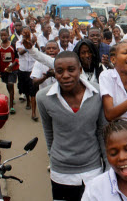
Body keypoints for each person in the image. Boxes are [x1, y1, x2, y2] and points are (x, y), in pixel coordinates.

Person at [36, 51, 107, 201]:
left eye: (71, 69)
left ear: (80, 70)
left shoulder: (97, 93)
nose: (65, 75)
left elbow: (102, 131)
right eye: (59, 71)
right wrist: (53, 158)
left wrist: (107, 165)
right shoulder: (43, 97)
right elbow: (49, 132)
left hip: (93, 170)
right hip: (61, 173)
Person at [0, 29, 19, 115]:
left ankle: (11, 106)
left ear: (8, 35)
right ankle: (11, 96)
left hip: (12, 69)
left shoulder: (12, 45)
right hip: (3, 70)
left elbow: (16, 58)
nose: (3, 37)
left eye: (5, 35)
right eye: (1, 35)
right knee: (7, 84)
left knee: (10, 83)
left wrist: (12, 66)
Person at [16, 27, 37, 120]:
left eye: (27, 32)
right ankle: (28, 100)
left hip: (33, 69)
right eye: (24, 33)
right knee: (24, 88)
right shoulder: (19, 42)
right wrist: (29, 45)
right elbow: (20, 52)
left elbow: (39, 50)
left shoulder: (35, 39)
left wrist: (33, 43)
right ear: (22, 34)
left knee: (33, 89)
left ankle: (33, 112)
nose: (26, 34)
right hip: (23, 69)